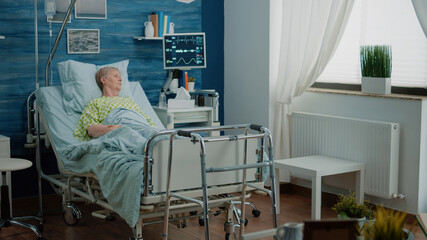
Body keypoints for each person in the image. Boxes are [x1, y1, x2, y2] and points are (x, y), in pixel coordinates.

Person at [74, 67, 155, 141]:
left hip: (143, 128)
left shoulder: (129, 101)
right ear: (103, 80)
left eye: (120, 77)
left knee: (160, 136)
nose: (120, 79)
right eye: (116, 76)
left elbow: (146, 122)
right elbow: (91, 130)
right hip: (121, 130)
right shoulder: (96, 102)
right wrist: (117, 128)